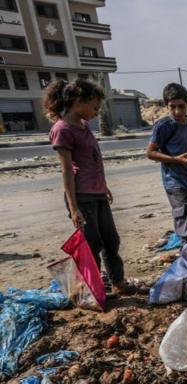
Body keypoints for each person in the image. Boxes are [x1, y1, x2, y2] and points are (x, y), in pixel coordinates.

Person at [44, 79, 135, 296]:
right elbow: (67, 170)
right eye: (94, 107)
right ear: (78, 102)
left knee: (111, 240)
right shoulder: (62, 129)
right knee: (92, 245)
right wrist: (74, 207)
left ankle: (118, 282)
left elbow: (92, 161)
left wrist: (104, 187)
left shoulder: (82, 126)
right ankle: (93, 290)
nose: (96, 112)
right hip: (82, 197)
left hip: (97, 193)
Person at [146, 83, 187, 242]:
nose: (177, 111)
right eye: (172, 107)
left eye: (181, 106)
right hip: (174, 181)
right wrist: (176, 159)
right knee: (186, 223)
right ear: (166, 105)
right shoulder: (164, 125)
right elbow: (150, 153)